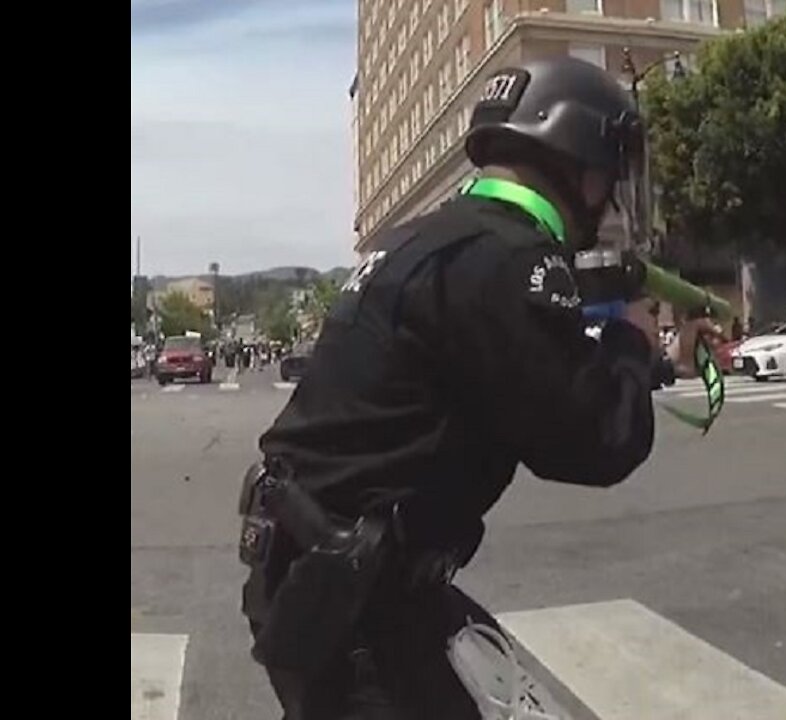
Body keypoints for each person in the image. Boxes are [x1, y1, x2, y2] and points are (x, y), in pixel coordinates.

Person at [238, 56, 703, 719]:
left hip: (316, 568)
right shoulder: (509, 262)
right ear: (578, 161)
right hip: (358, 597)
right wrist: (632, 338)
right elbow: (599, 442)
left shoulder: (421, 241)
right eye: (608, 174)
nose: (608, 198)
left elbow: (504, 368)